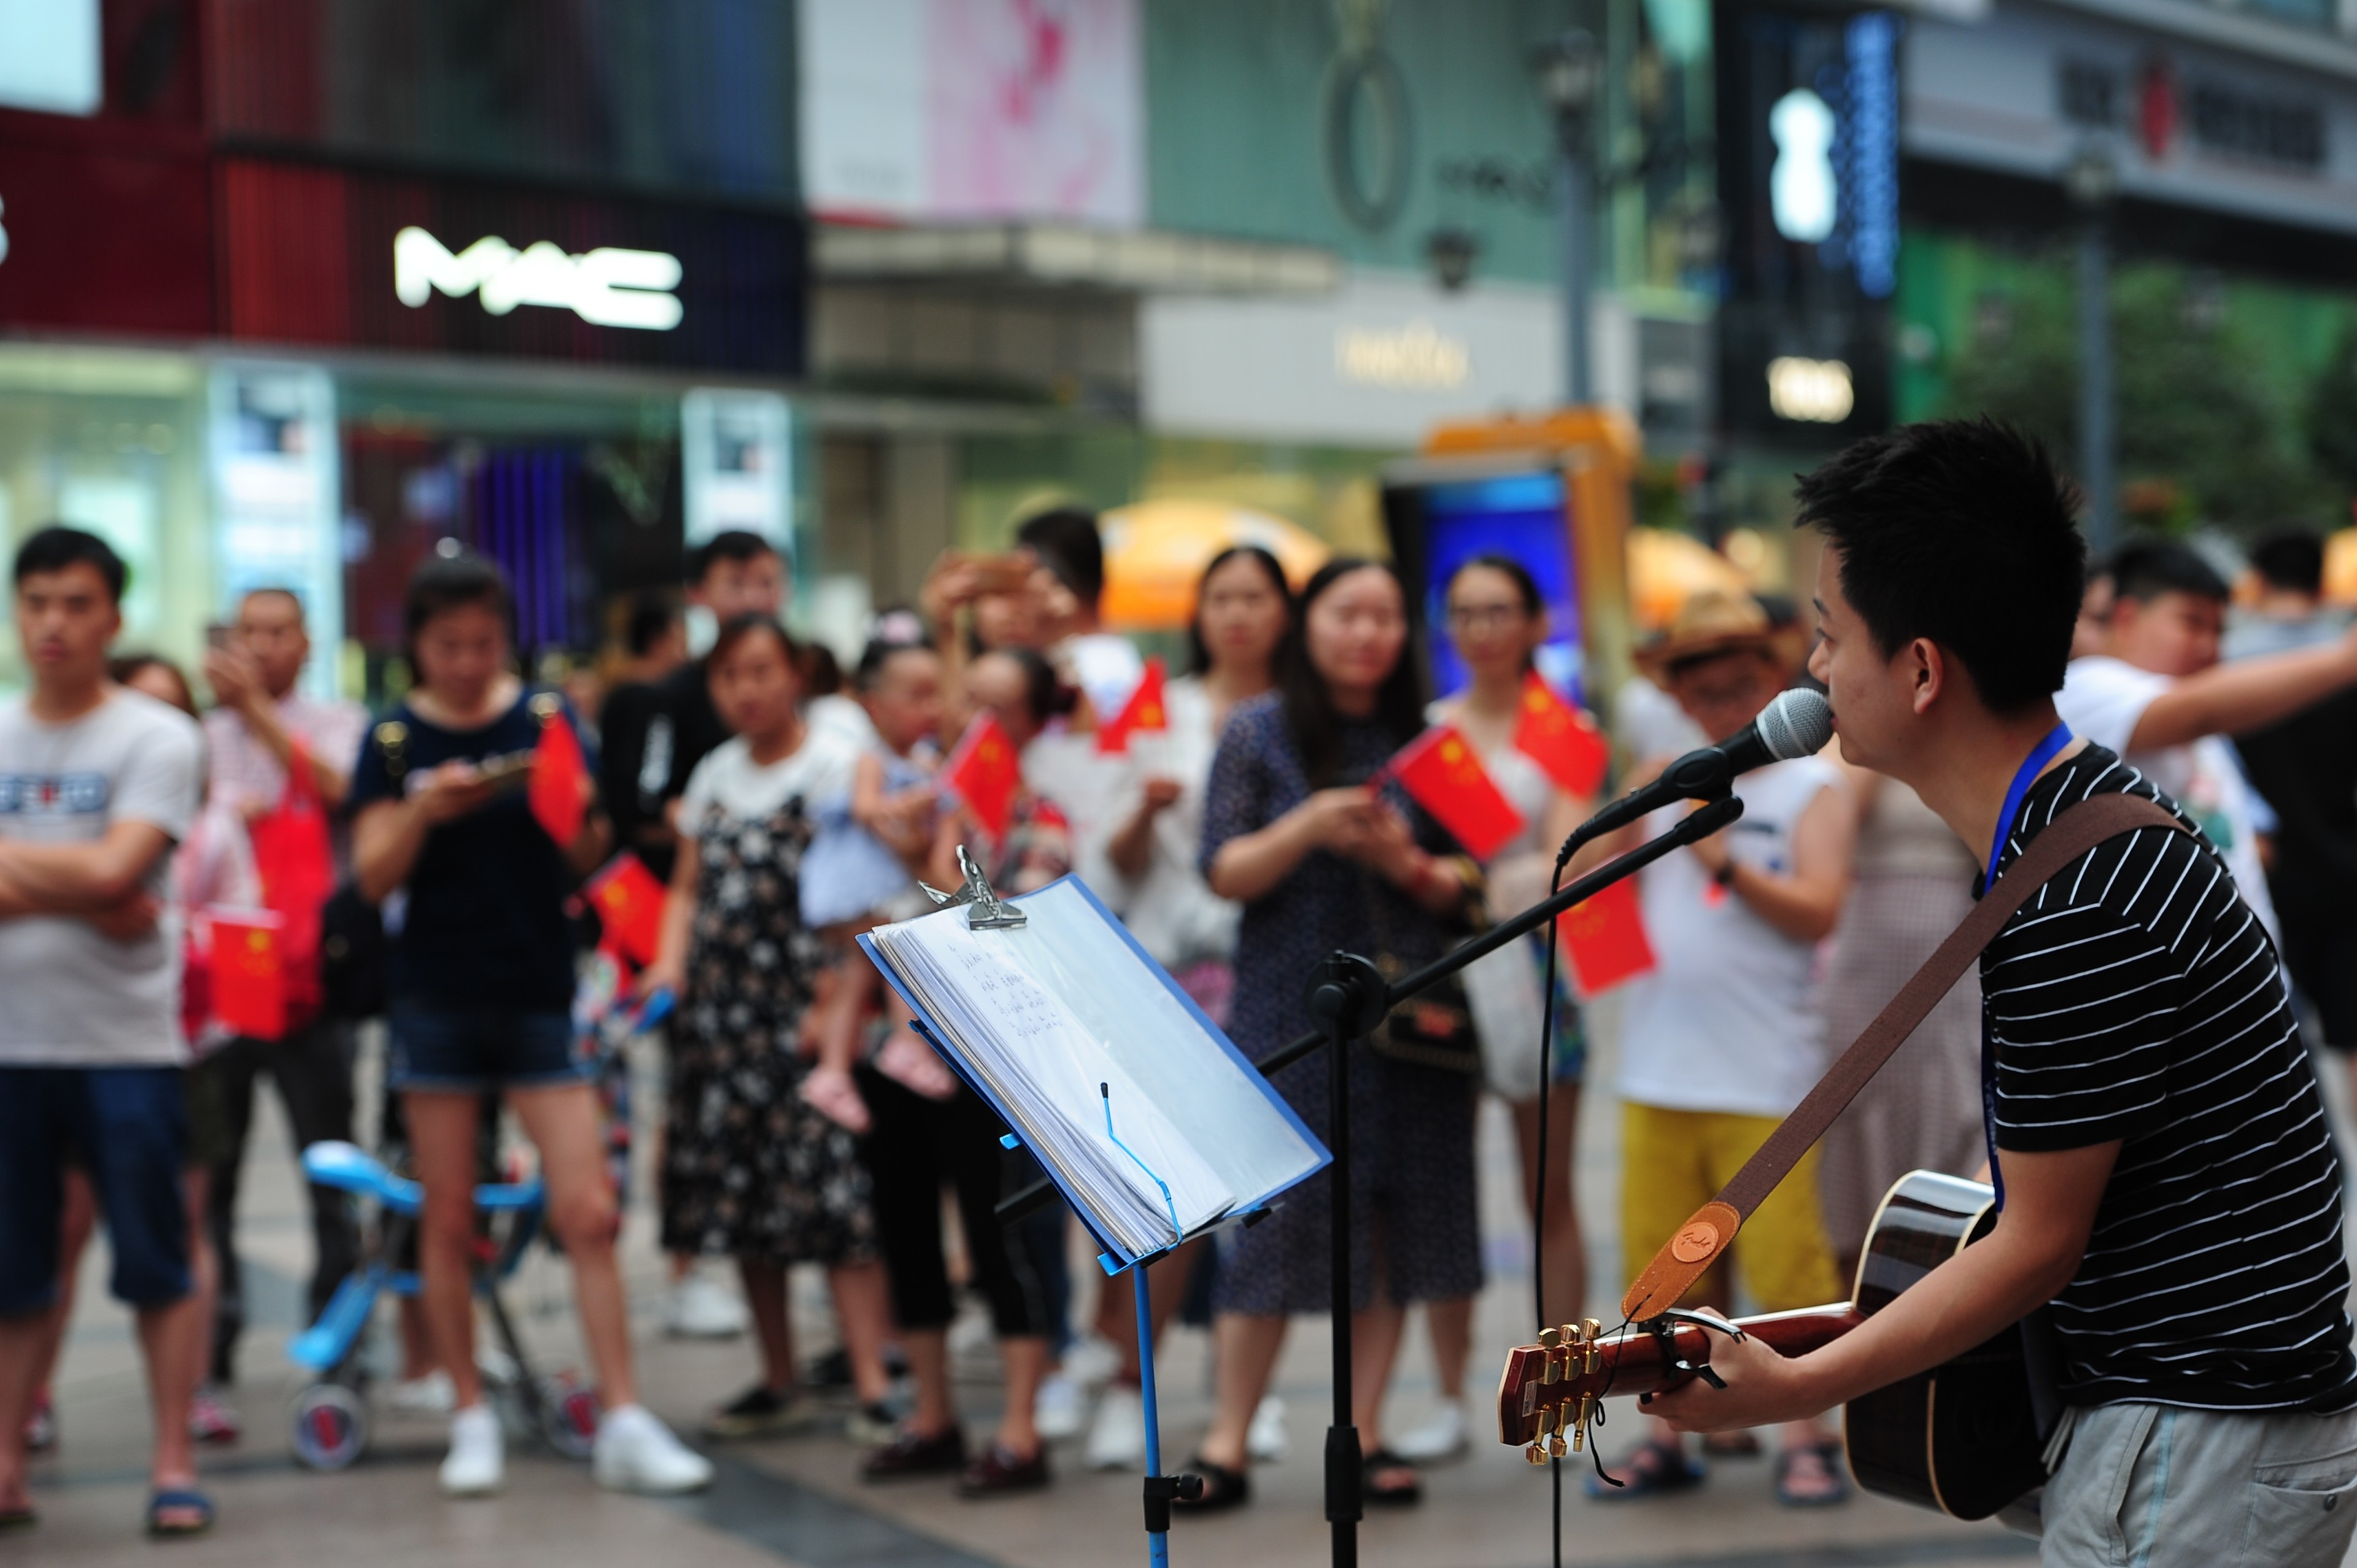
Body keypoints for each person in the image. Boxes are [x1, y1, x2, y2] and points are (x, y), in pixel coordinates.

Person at [1658, 419, 2357, 1568]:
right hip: (2203, 1433)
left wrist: (1793, 1391)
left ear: (1923, 670)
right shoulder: (2080, 826)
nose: (1817, 675)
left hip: (2198, 1448)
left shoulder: (2079, 893)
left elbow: (2038, 1245)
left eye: (1832, 638)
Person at [350, 552, 710, 1499]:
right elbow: (371, 874)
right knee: (450, 1213)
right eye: (448, 645)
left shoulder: (548, 719)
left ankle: (624, 1413)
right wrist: (425, 808)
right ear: (416, 647)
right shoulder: (390, 737)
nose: (469, 661)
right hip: (433, 996)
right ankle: (471, 1414)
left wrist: (563, 803)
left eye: (485, 641)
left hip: (544, 992)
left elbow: (593, 850)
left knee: (588, 1208)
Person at [1179, 557, 1482, 1513]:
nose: (1368, 633)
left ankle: (1369, 1431)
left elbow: (1472, 884)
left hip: (1410, 1023)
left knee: (1391, 1222)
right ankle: (1226, 1440)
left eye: (1387, 616)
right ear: (1308, 623)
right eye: (1349, 613)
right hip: (1291, 1014)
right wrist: (1309, 822)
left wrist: (1402, 859)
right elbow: (1222, 868)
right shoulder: (1258, 728)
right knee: (1274, 1217)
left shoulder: (1431, 740)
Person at [1586, 590, 1855, 1507]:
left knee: (1787, 1266)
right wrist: (1634, 803)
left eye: (1736, 666)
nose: (1717, 686)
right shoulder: (1666, 777)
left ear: (1770, 668)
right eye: (1696, 674)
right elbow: (1584, 889)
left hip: (1768, 1075)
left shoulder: (1812, 783)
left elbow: (1820, 907)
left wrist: (1721, 860)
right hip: (1657, 1063)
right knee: (1663, 1270)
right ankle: (1668, 1434)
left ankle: (1806, 1436)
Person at [637, 616, 896, 1446]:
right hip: (722, 1022)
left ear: (797, 674)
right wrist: (668, 964)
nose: (747, 689)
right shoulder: (714, 771)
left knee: (836, 1198)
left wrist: (836, 1002)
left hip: (804, 1015)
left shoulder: (831, 764)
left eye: (762, 670)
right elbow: (684, 886)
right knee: (746, 1202)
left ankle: (869, 1381)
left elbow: (860, 900)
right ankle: (780, 1375)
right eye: (729, 676)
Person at [0, 528, 209, 1537]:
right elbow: (97, 876)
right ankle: (3, 1463)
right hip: (12, 1048)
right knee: (15, 1271)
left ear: (114, 617)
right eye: (36, 601)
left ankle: (173, 1462)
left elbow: (118, 872)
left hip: (128, 1047)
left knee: (157, 1261)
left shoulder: (157, 736)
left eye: (76, 603)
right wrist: (87, 880)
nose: (53, 622)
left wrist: (69, 878)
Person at [1083, 544, 1291, 1472]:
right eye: (1223, 597)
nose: (1239, 613)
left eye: (1256, 596)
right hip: (1167, 972)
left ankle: (1244, 1394)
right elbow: (1110, 861)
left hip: (1271, 968)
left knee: (1264, 1194)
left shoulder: (1301, 713)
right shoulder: (1153, 709)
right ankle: (1130, 1382)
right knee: (1160, 1191)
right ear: (1198, 612)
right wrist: (1140, 811)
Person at [856, 647, 1077, 1497]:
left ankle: (1022, 1426)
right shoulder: (911, 794)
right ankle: (934, 1415)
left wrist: (951, 864)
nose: (961, 716)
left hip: (991, 1062)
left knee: (1002, 1237)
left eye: (988, 705)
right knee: (906, 1227)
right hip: (898, 1050)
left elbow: (1017, 929)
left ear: (1024, 724)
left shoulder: (1034, 813)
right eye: (958, 698)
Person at [1394, 555, 1595, 1464]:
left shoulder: (1566, 729)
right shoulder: (1424, 733)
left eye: (1499, 610)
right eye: (1464, 611)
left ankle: (1563, 1390)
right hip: (1440, 974)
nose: (1482, 628)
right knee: (1436, 1186)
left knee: (1545, 1187)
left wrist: (1472, 876)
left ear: (1531, 621)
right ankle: (1443, 1392)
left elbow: (1571, 854)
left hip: (1537, 973)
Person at [596, 530, 785, 1340]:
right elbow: (634, 810)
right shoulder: (656, 698)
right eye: (737, 581)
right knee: (689, 1098)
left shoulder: (806, 694)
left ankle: (771, 1253)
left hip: (782, 945)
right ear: (701, 593)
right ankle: (687, 1268)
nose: (754, 595)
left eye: (768, 581)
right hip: (682, 925)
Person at [196, 587, 366, 1411]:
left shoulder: (337, 719)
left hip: (312, 985)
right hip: (225, 988)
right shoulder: (198, 737)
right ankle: (210, 1354)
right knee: (213, 1177)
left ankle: (338, 1346)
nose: (262, 645)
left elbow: (342, 789)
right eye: (248, 632)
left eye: (277, 632)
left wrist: (261, 714)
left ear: (307, 640)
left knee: (329, 1165)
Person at [2054, 539, 2329, 948]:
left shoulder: (2198, 723)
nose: (2210, 648)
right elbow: (2199, 711)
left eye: (2219, 629)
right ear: (2127, 617)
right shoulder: (2084, 687)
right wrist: (2344, 659)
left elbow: (2255, 837)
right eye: (2192, 622)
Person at [1814, 766, 1983, 1274]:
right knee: (1857, 1111)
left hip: (1954, 936)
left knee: (1953, 1108)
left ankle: (1946, 1282)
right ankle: (1857, 1304)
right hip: (1868, 948)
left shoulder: (1971, 727)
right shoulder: (1855, 725)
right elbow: (1830, 815)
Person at [2226, 530, 2357, 1065]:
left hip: (2264, 871)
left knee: (2271, 1035)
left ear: (2258, 579)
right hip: (2346, 865)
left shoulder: (2228, 661)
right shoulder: (2343, 656)